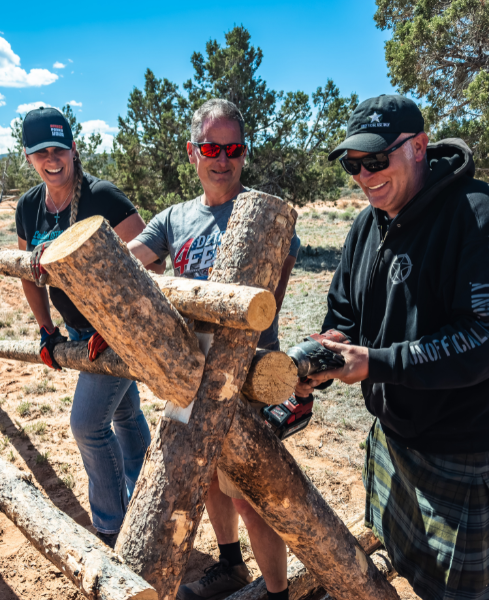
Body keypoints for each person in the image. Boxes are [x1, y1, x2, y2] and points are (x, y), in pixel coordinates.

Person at [296, 94, 489, 600]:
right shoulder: (367, 225)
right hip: (397, 436)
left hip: (468, 450)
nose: (365, 175)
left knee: (465, 593)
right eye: (353, 164)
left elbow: (486, 337)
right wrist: (328, 347)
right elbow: (345, 311)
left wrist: (377, 362)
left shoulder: (481, 216)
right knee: (400, 560)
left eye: (377, 160)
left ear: (420, 147)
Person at [128, 99, 300, 600]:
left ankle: (277, 592)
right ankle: (229, 565)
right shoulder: (174, 219)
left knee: (250, 493)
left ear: (244, 153)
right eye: (211, 147)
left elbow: (272, 300)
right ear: (192, 153)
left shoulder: (263, 214)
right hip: (189, 369)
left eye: (233, 149)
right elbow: (128, 263)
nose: (221, 159)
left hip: (245, 378)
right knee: (204, 475)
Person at [16, 107, 151, 548]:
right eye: (41, 152)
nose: (51, 159)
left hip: (118, 333)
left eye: (58, 149)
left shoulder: (103, 197)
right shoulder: (29, 207)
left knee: (87, 424)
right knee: (127, 414)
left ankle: (113, 529)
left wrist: (115, 323)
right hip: (77, 332)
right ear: (28, 157)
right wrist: (44, 329)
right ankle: (151, 500)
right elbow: (27, 272)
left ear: (74, 150)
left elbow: (152, 261)